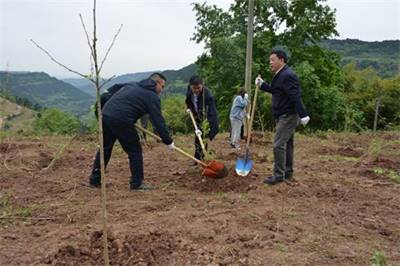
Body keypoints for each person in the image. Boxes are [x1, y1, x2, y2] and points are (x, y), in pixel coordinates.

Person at [89, 73, 174, 190]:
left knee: (105, 148)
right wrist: (168, 141)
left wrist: (107, 111)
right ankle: (137, 183)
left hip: (106, 115)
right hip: (121, 120)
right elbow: (158, 121)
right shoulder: (152, 96)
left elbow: (107, 93)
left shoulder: (132, 85)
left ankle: (95, 179)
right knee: (135, 150)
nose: (162, 90)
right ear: (157, 83)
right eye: (162, 87)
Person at [255, 49, 310, 185]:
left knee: (278, 145)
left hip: (288, 115)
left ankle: (279, 175)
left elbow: (295, 96)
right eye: (270, 60)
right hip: (282, 115)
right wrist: (262, 85)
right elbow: (276, 91)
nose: (270, 63)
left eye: (273, 60)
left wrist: (303, 114)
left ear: (282, 60)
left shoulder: (288, 75)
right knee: (287, 144)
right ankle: (288, 172)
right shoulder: (280, 75)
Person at [185, 75, 219, 161]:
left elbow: (212, 113)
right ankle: (198, 158)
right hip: (196, 116)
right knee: (197, 138)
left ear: (202, 85)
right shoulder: (189, 91)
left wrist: (209, 127)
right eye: (194, 88)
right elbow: (188, 101)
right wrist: (189, 109)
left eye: (198, 88)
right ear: (190, 86)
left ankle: (202, 158)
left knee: (202, 138)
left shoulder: (208, 96)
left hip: (206, 118)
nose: (196, 90)